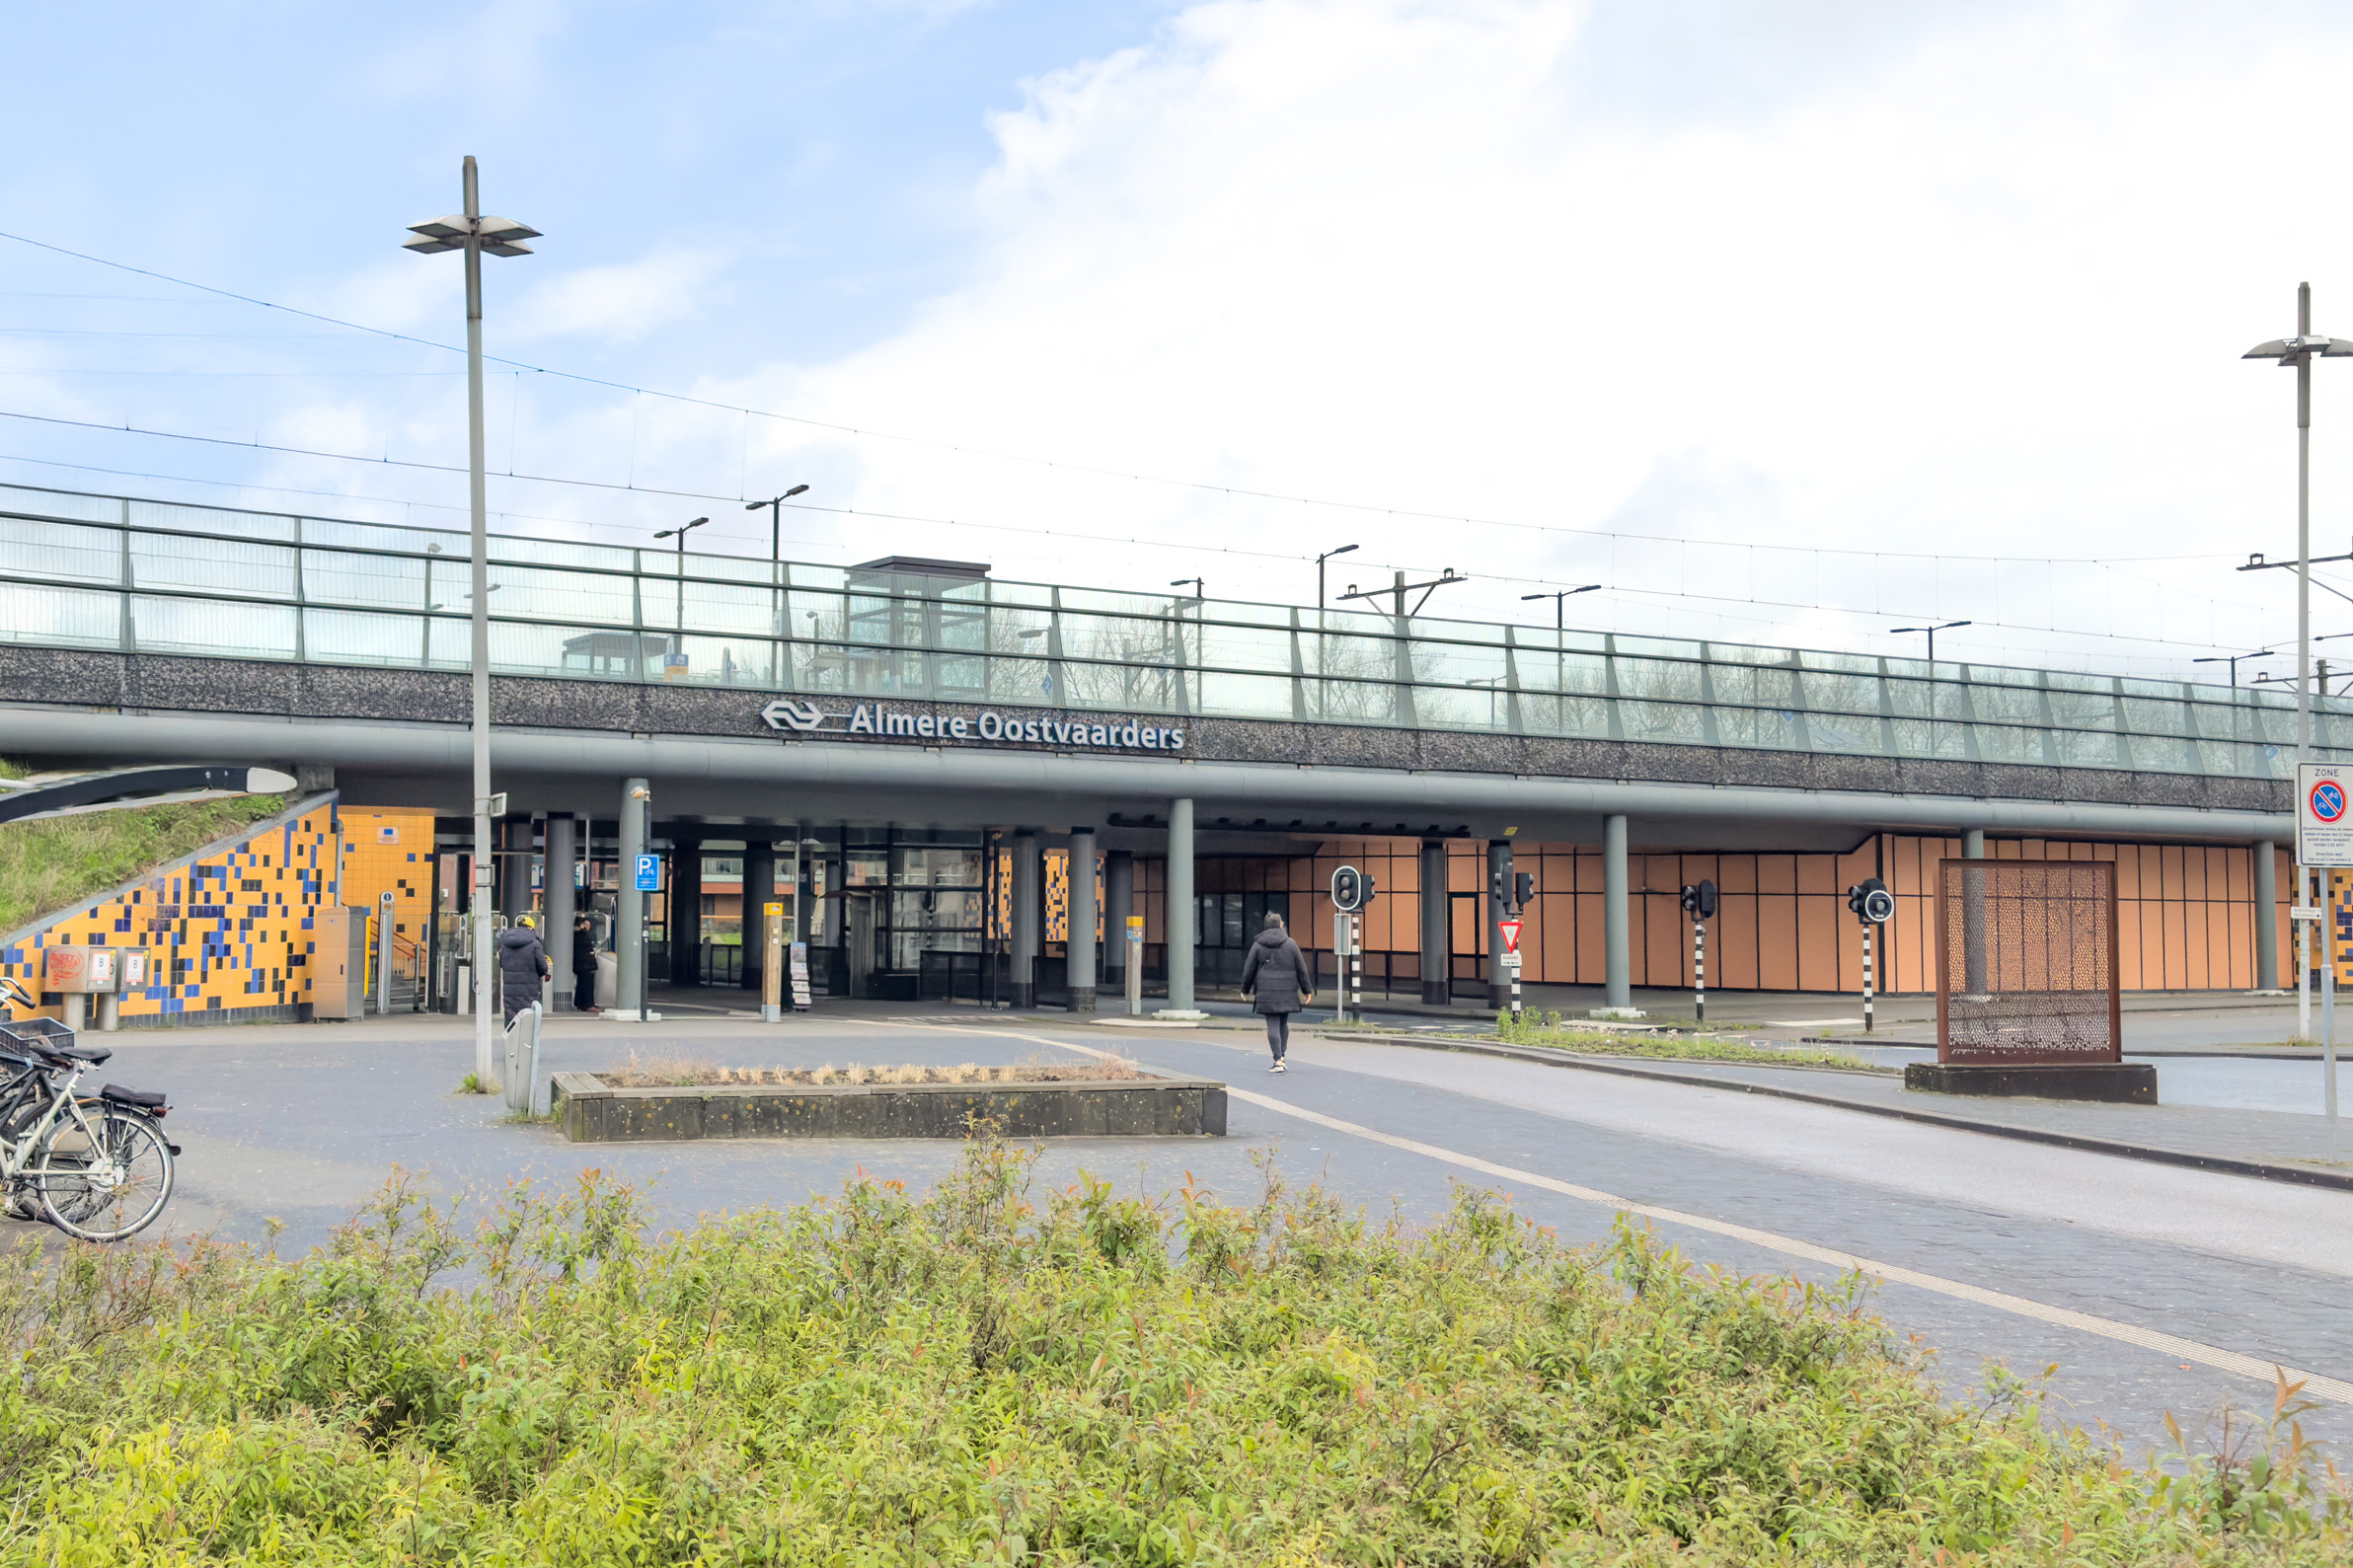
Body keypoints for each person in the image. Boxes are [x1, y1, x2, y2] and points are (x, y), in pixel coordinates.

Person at [1239, 910, 1314, 1073]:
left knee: (1272, 1023)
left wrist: (1245, 989)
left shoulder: (1258, 944)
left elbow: (1249, 968)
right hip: (1287, 990)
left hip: (1266, 990)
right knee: (1283, 1022)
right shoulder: (1291, 944)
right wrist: (1307, 990)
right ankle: (1282, 1056)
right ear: (1280, 925)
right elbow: (1301, 968)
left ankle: (1277, 1059)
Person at [495, 915, 551, 1026]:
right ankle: (525, 1036)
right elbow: (542, 967)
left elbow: (502, 963)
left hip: (510, 989)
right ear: (530, 928)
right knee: (527, 1014)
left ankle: (510, 1034)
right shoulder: (535, 944)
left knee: (511, 1014)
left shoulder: (506, 943)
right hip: (529, 987)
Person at [571, 914, 600, 1013]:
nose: (588, 927)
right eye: (586, 925)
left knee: (581, 984)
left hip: (582, 964)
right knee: (587, 985)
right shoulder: (581, 936)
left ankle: (580, 1003)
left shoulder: (577, 936)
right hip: (585, 964)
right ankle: (588, 1004)